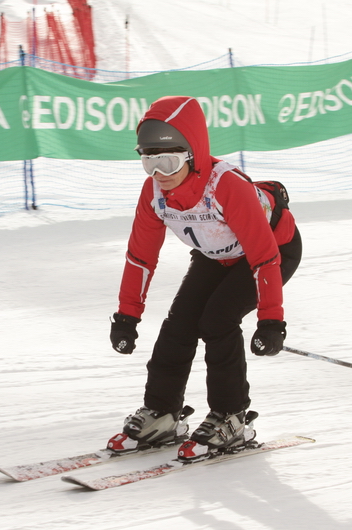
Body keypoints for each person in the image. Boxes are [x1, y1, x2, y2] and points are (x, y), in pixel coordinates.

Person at [107, 95, 302, 462]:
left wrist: (271, 321)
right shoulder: (155, 194)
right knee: (179, 324)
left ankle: (231, 417)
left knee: (217, 320)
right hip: (216, 255)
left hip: (272, 251)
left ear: (192, 155)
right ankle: (162, 412)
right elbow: (140, 258)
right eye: (149, 161)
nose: (159, 173)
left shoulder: (226, 187)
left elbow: (264, 258)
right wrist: (127, 316)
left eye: (168, 161)